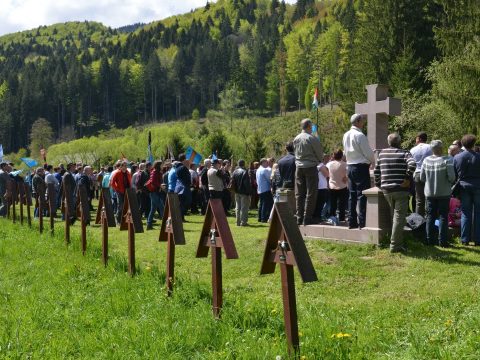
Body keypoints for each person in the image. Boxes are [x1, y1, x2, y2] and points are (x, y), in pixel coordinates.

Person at [374, 133, 416, 253]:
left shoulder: (382, 154)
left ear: (388, 142)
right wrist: (407, 179)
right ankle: (395, 245)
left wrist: (379, 185)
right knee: (398, 218)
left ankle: (396, 241)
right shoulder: (405, 153)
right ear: (399, 142)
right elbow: (412, 164)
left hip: (387, 190)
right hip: (400, 190)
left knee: (395, 217)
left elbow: (377, 172)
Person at [420, 140, 455, 247]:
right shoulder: (447, 159)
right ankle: (442, 241)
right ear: (441, 148)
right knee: (443, 217)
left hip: (430, 193)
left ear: (432, 149)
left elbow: (422, 178)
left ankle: (429, 240)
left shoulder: (426, 160)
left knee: (430, 216)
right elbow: (452, 178)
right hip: (444, 193)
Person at [343, 113, 375, 229]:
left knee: (352, 195)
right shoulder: (360, 135)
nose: (363, 123)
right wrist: (373, 161)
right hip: (361, 167)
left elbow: (345, 152)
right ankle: (362, 222)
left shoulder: (346, 135)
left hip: (350, 166)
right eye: (362, 121)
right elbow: (367, 152)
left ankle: (352, 222)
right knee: (361, 195)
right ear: (357, 122)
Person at [293, 118, 323, 225]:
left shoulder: (296, 138)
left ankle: (299, 217)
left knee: (299, 193)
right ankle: (307, 217)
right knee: (311, 192)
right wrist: (319, 160)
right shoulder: (311, 138)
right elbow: (319, 153)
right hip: (310, 166)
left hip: (298, 167)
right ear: (309, 126)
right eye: (311, 126)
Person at [453, 134, 480, 246]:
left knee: (465, 213)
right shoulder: (478, 156)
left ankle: (465, 239)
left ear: (462, 144)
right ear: (473, 144)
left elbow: (454, 175)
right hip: (478, 186)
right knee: (478, 213)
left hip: (464, 187)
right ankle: (478, 239)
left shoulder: (457, 157)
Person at [410, 132, 432, 216]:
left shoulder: (413, 149)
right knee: (428, 198)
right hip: (428, 174)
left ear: (419, 138)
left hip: (417, 174)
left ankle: (419, 222)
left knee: (419, 200)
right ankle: (429, 220)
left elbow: (411, 163)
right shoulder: (430, 147)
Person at [326, 149, 348, 222]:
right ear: (342, 156)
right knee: (342, 204)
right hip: (343, 186)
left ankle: (332, 217)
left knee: (333, 203)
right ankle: (342, 218)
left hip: (332, 186)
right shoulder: (345, 164)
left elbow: (326, 174)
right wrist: (345, 177)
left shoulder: (329, 164)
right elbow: (348, 174)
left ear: (333, 155)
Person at [232, 159, 252, 226]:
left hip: (236, 191)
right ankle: (243, 222)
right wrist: (249, 192)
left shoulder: (235, 171)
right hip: (244, 192)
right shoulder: (244, 172)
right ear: (244, 164)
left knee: (237, 207)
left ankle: (237, 222)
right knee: (244, 207)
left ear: (238, 164)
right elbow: (247, 184)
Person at [146, 160, 164, 230]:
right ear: (159, 165)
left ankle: (149, 224)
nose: (163, 165)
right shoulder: (154, 172)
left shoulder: (158, 172)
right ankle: (165, 224)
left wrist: (160, 186)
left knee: (153, 209)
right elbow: (153, 182)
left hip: (156, 192)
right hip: (153, 192)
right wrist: (160, 186)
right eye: (162, 164)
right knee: (161, 207)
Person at [175, 153, 192, 220]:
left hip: (179, 187)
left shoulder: (177, 167)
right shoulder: (183, 167)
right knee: (186, 202)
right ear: (184, 159)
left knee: (182, 203)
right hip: (184, 187)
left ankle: (181, 217)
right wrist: (187, 166)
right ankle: (180, 217)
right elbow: (187, 177)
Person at [256, 158, 273, 223]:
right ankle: (264, 218)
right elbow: (269, 179)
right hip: (265, 188)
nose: (267, 164)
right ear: (263, 162)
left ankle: (259, 217)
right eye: (266, 162)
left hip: (260, 188)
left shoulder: (258, 170)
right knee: (265, 204)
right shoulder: (264, 170)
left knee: (261, 204)